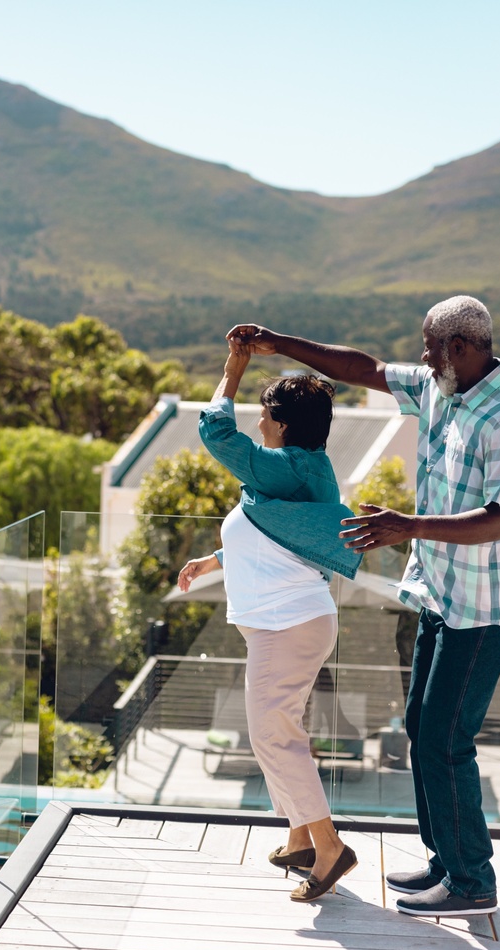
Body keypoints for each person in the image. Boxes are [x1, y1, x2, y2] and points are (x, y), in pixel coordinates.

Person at [228, 295, 500, 919]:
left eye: (431, 347)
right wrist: (278, 341)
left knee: (444, 739)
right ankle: (444, 861)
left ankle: (472, 882)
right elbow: (364, 369)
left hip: (484, 608)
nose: (423, 358)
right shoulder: (441, 387)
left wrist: (408, 526)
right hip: (440, 593)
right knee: (421, 731)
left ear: (460, 347)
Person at [176, 343, 362, 902]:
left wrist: (232, 370)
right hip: (287, 623)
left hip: (289, 625)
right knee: (279, 733)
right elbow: (279, 540)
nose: (257, 422)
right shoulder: (296, 473)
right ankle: (301, 836)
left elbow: (215, 435)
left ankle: (328, 847)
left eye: (263, 414)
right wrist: (215, 560)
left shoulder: (290, 469)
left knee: (272, 736)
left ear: (281, 424)